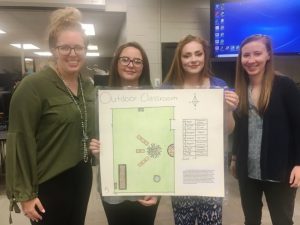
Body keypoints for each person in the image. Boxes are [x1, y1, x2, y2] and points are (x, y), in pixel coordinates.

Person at [6, 7, 96, 225]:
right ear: (54, 50)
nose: (72, 53)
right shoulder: (33, 86)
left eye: (78, 47)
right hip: (49, 181)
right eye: (65, 47)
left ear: (85, 50)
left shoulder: (87, 85)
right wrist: (25, 194)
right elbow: (20, 139)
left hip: (82, 175)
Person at [163, 34, 239, 225]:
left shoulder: (219, 86)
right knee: (183, 220)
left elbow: (228, 130)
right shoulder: (168, 90)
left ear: (205, 56)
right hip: (180, 167)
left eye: (198, 54)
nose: (193, 60)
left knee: (211, 221)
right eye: (187, 55)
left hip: (210, 168)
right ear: (179, 60)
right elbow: (162, 130)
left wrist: (228, 110)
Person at [230, 34, 300, 225]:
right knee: (251, 220)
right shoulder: (239, 88)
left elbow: (298, 127)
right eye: (246, 55)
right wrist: (235, 158)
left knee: (282, 220)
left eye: (257, 54)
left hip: (279, 169)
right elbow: (238, 129)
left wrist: (298, 164)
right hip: (248, 170)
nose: (251, 60)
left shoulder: (284, 85)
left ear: (268, 55)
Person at [89, 42, 159, 225]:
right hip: (113, 183)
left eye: (137, 61)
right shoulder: (101, 98)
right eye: (125, 59)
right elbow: (93, 133)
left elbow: (162, 141)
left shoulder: (156, 99)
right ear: (116, 63)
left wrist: (158, 186)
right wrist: (94, 145)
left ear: (143, 67)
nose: (131, 64)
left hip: (146, 182)